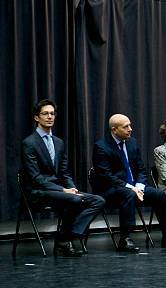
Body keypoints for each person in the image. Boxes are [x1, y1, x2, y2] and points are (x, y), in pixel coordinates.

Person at [21, 99, 104, 256]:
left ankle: (66, 237)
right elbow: (35, 177)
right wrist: (63, 190)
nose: (50, 116)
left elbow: (64, 172)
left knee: (98, 200)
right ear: (36, 118)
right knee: (74, 200)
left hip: (60, 191)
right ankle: (65, 240)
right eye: (45, 113)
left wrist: (72, 188)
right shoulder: (29, 143)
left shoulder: (58, 143)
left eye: (52, 113)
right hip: (39, 192)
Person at [91, 114, 166, 252]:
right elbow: (106, 176)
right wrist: (131, 188)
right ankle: (125, 238)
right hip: (111, 190)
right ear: (114, 130)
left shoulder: (132, 142)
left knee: (158, 194)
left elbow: (140, 168)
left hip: (134, 187)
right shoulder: (101, 147)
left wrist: (139, 186)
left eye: (130, 125)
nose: (130, 129)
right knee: (127, 193)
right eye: (125, 127)